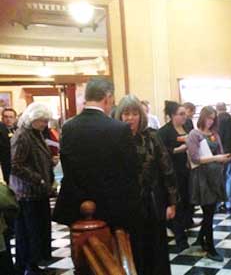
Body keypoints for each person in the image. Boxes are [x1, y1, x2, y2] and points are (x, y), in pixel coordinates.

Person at [53, 77, 142, 231]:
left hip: (78, 205)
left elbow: (68, 167)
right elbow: (131, 170)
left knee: (83, 251)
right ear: (107, 98)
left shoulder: (69, 127)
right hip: (113, 206)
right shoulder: (119, 129)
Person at [116, 95, 177, 275]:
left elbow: (167, 170)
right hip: (127, 205)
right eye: (126, 113)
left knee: (156, 249)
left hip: (153, 203)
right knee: (133, 250)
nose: (130, 118)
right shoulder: (115, 140)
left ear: (141, 116)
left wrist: (172, 202)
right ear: (119, 116)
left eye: (134, 113)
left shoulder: (152, 136)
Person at [9, 102, 56, 275]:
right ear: (32, 119)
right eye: (42, 121)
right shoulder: (23, 136)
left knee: (35, 232)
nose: (45, 124)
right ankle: (30, 267)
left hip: (36, 192)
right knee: (29, 233)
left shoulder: (35, 134)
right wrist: (39, 179)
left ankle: (32, 265)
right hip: (28, 193)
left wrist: (49, 162)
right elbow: (15, 165)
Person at [186, 106, 231, 261]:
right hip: (202, 177)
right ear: (202, 117)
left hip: (215, 176)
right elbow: (195, 159)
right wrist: (216, 159)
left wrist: (224, 157)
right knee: (208, 212)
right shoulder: (194, 134)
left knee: (210, 211)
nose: (210, 121)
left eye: (213, 118)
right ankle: (210, 247)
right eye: (208, 117)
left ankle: (201, 239)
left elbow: (219, 151)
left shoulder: (214, 134)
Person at [158, 100, 190, 252]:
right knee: (177, 204)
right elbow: (162, 154)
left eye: (185, 114)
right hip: (174, 173)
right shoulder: (164, 132)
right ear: (172, 116)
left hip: (189, 170)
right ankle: (180, 238)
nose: (185, 117)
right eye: (181, 114)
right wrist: (179, 150)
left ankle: (182, 228)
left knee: (188, 202)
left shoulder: (188, 126)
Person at [216, 102, 231, 212]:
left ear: (217, 109)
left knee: (219, 178)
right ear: (226, 108)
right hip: (230, 153)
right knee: (229, 177)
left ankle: (217, 203)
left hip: (218, 154)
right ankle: (228, 203)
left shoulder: (215, 121)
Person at [0, 108, 18, 183]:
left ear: (15, 118)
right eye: (6, 117)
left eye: (11, 117)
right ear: (2, 118)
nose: (8, 119)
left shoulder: (18, 130)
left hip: (17, 165)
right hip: (4, 163)